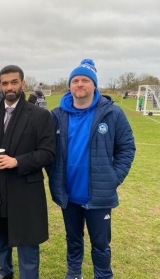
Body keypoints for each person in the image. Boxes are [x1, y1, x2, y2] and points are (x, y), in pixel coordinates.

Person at [47, 59, 136, 279]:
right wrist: (55, 175)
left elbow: (127, 148)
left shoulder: (113, 114)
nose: (80, 84)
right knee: (73, 239)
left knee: (101, 244)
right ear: (69, 85)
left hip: (98, 195)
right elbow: (47, 151)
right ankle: (74, 273)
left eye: (85, 80)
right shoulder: (56, 116)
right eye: (75, 80)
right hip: (69, 194)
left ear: (94, 84)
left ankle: (103, 275)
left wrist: (113, 178)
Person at [0, 65, 55, 279]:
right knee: (1, 234)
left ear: (23, 83)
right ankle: (5, 271)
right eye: (5, 83)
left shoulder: (39, 115)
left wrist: (17, 161)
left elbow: (48, 153)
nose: (9, 87)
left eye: (13, 82)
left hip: (25, 190)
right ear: (0, 86)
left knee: (27, 239)